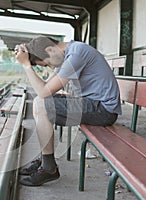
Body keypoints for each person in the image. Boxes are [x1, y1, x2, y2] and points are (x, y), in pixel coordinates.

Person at [14, 36, 121, 187]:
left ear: (50, 50)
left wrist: (26, 66)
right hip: (92, 104)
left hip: (103, 110)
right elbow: (45, 89)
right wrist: (26, 50)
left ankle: (48, 167)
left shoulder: (77, 54)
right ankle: (45, 160)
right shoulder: (67, 54)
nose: (51, 67)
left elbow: (44, 92)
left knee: (41, 104)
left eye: (48, 63)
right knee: (40, 103)